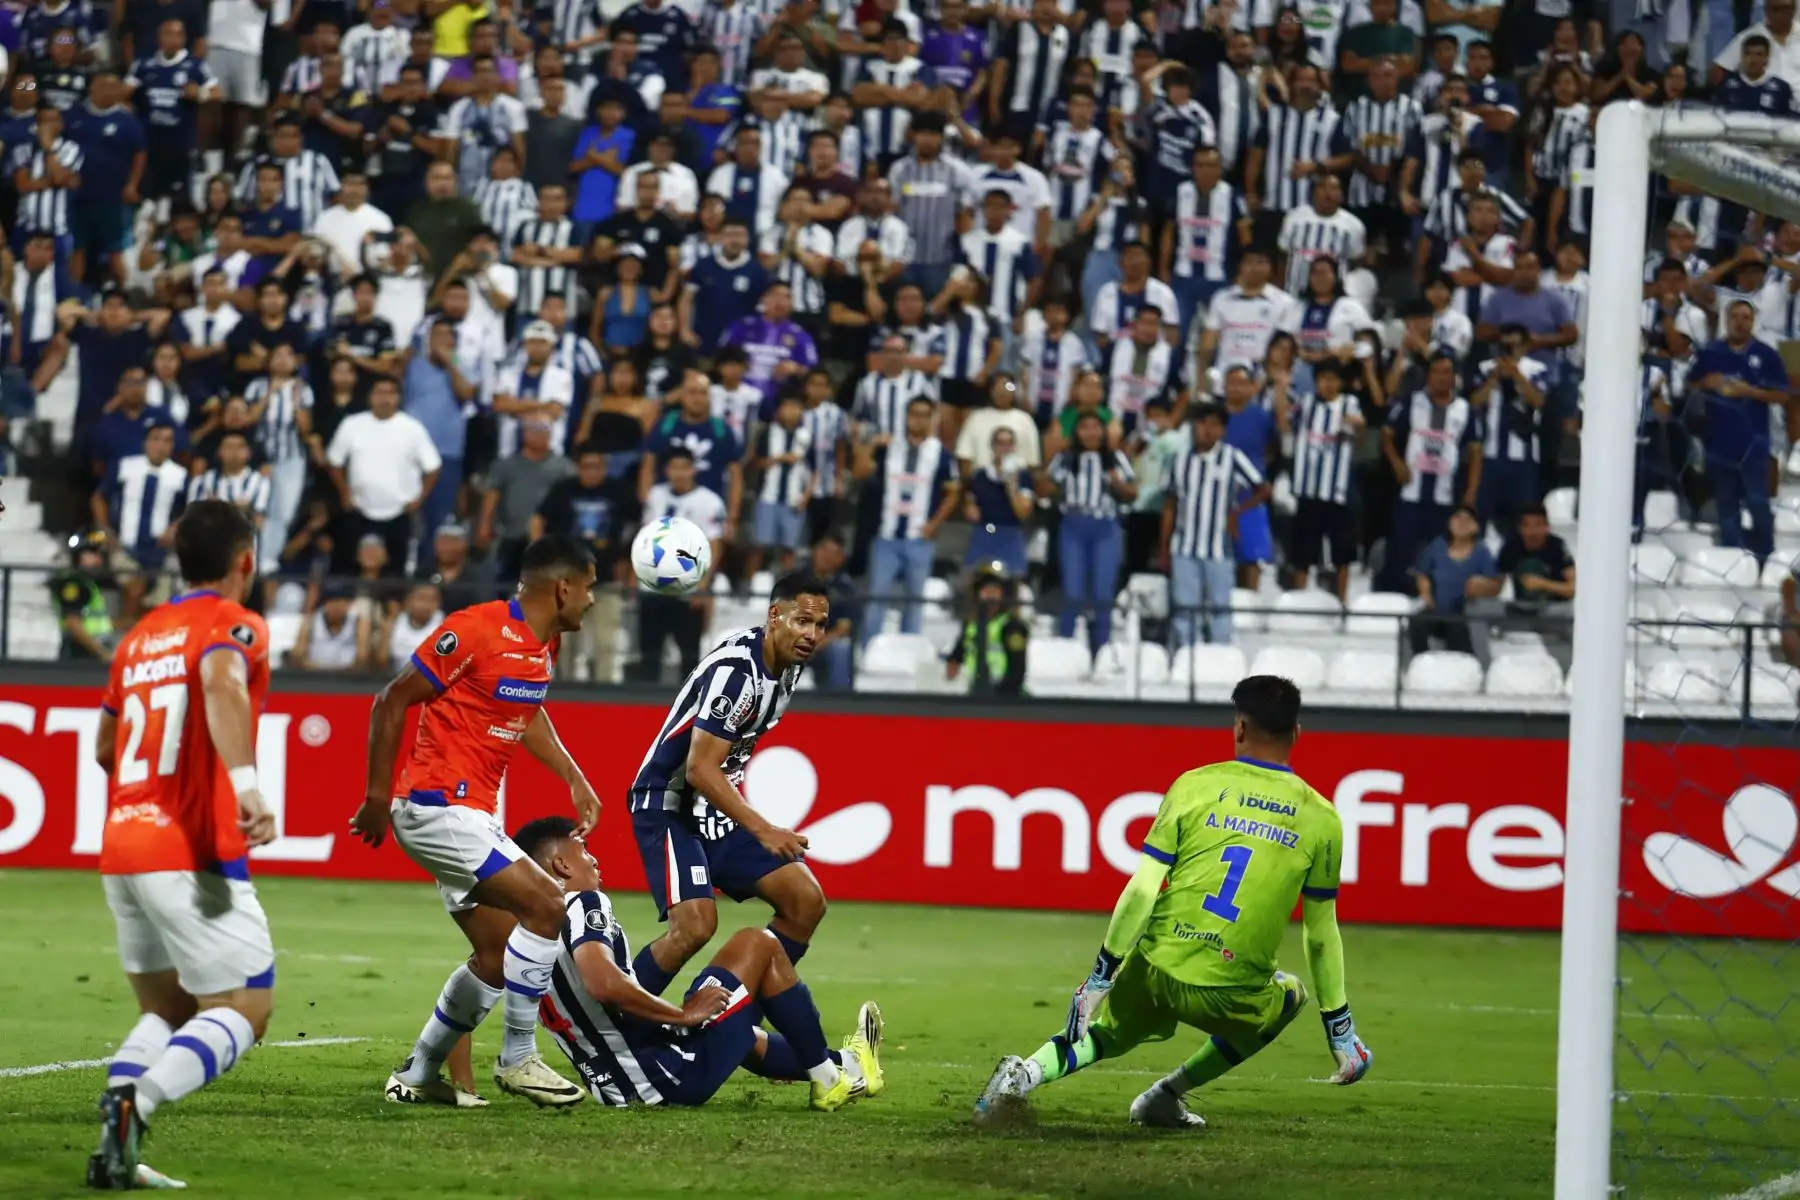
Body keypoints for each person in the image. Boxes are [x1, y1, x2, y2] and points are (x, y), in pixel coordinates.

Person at [975, 675, 1371, 1129]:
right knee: (1288, 996)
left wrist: (1100, 978)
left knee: (1103, 1035)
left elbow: (1143, 888)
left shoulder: (1193, 785)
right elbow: (1320, 934)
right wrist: (1340, 1029)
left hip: (1158, 969)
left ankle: (1021, 1076)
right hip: (1230, 989)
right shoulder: (1323, 819)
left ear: (1239, 727)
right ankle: (1166, 1096)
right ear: (1297, 733)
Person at [349, 536, 602, 1110]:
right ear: (563, 586)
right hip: (437, 806)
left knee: (495, 954)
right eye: (588, 587)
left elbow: (525, 709)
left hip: (472, 814)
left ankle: (417, 1074)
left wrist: (574, 774)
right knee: (546, 905)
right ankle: (517, 1058)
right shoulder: (476, 630)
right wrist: (375, 797)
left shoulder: (544, 646)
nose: (591, 601)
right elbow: (391, 700)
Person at [88, 501, 279, 1190]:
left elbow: (107, 745)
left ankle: (116, 1144)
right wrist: (247, 785)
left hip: (122, 844)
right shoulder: (234, 624)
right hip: (190, 848)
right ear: (245, 562)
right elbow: (222, 681)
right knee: (245, 1005)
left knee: (166, 1011)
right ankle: (139, 1100)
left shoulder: (140, 635)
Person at [624, 572, 833, 1003]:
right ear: (775, 616)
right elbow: (700, 768)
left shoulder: (785, 665)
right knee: (695, 925)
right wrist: (764, 829)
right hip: (669, 802)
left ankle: (727, 1010)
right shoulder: (738, 674)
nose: (812, 635)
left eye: (820, 625)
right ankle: (609, 1024)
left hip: (711, 810)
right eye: (802, 621)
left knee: (804, 902)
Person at [855, 395, 960, 646]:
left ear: (932, 418)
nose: (918, 420)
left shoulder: (941, 454)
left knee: (914, 602)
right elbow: (859, 472)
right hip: (886, 536)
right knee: (876, 599)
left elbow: (954, 493)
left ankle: (908, 653)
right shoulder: (889, 447)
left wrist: (934, 524)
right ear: (906, 416)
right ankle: (868, 653)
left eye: (925, 414)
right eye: (914, 414)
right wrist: (870, 445)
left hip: (919, 538)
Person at [1161, 404, 1269, 648]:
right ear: (1193, 428)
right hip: (1183, 547)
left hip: (1219, 547)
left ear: (1222, 430)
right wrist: (1163, 548)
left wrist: (1237, 513)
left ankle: (1219, 659)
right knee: (1185, 608)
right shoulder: (1178, 461)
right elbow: (1169, 506)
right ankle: (1185, 660)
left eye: (1214, 425)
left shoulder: (1232, 457)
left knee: (1221, 608)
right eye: (1202, 424)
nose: (1208, 430)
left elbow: (1262, 489)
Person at [1045, 411, 1136, 656]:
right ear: (1076, 431)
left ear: (1104, 431)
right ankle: (1066, 650)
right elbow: (1046, 487)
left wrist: (1118, 484)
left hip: (1105, 526)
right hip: (1073, 524)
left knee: (1102, 593)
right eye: (1084, 426)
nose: (1090, 432)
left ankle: (1102, 653)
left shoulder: (1116, 458)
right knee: (1072, 592)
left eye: (1096, 426)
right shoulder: (1065, 458)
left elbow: (1132, 492)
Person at [1466, 503, 1577, 669]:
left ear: (1546, 527)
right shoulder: (1511, 547)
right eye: (1527, 526)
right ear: (1520, 528)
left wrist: (1544, 585)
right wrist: (1479, 587)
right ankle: (1484, 667)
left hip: (1550, 610)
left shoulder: (1557, 546)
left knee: (1571, 614)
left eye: (1538, 526)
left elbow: (1572, 589)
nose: (1532, 532)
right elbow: (1497, 586)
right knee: (1476, 609)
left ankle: (1575, 671)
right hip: (1519, 609)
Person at [1409, 505, 1499, 658]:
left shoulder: (1482, 552)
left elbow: (1494, 583)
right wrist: (1426, 594)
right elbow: (1422, 573)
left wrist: (1480, 587)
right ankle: (1420, 663)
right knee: (1417, 622)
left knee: (1457, 628)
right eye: (1458, 518)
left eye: (1467, 519)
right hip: (1437, 610)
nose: (1461, 522)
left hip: (1465, 614)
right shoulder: (1438, 545)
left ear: (1476, 527)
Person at [946, 562, 1029, 696]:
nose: (989, 595)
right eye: (985, 589)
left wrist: (997, 698)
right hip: (976, 692)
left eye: (995, 589)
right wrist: (953, 662)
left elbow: (1017, 671)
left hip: (1004, 697)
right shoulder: (972, 624)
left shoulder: (1012, 627)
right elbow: (960, 650)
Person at [50, 527, 117, 661]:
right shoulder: (73, 583)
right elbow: (73, 624)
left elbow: (97, 622)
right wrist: (103, 653)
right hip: (79, 657)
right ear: (77, 555)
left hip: (89, 655)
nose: (98, 559)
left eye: (100, 554)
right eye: (92, 553)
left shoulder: (88, 584)